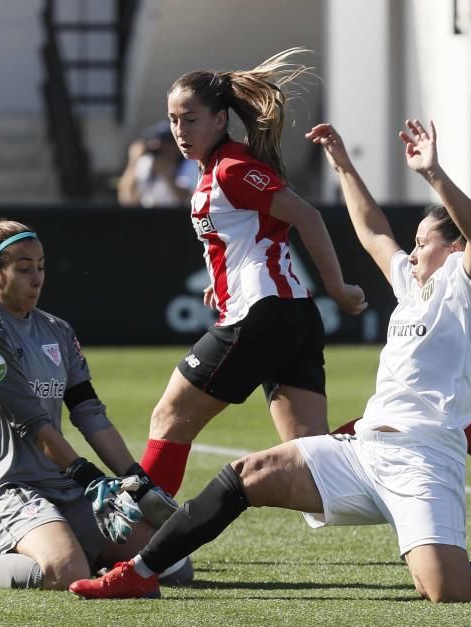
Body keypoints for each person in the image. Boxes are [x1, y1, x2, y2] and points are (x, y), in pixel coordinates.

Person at [67, 120, 471, 602]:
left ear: (456, 247)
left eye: (422, 244)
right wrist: (343, 166)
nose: (411, 253)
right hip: (363, 450)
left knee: (447, 591)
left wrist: (433, 174)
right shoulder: (410, 285)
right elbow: (374, 232)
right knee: (248, 474)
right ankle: (138, 573)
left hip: (424, 461)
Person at [0, 212, 186, 591]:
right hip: (7, 486)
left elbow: (89, 412)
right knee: (66, 571)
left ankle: (74, 548)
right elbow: (30, 423)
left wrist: (136, 478)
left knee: (171, 562)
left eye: (41, 266)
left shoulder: (57, 330)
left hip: (61, 483)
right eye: (24, 268)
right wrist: (89, 476)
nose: (37, 277)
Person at [137, 49, 368, 498]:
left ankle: (137, 538)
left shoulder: (232, 169)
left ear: (221, 120)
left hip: (262, 313)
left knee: (169, 418)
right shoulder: (216, 170)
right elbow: (246, 238)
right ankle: (410, 434)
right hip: (287, 315)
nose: (179, 132)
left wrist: (337, 288)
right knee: (313, 459)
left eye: (191, 119)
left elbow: (308, 217)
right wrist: (221, 285)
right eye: (173, 120)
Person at [117, 121, 200, 208]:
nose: (159, 147)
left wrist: (167, 175)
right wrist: (133, 162)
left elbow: (185, 199)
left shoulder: (189, 163)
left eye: (165, 143)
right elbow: (126, 199)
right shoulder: (146, 162)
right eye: (155, 142)